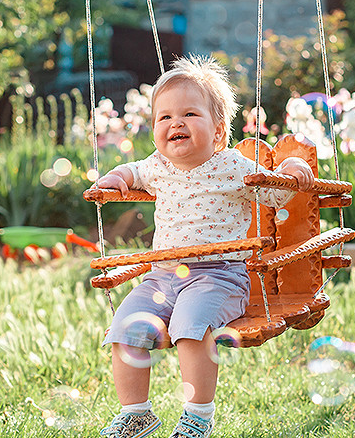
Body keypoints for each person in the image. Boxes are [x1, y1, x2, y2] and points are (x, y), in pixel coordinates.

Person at [96, 55, 314, 438]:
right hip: (162, 278)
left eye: (189, 114)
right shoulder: (157, 166)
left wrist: (292, 169)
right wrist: (116, 177)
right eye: (164, 118)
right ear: (154, 131)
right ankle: (136, 413)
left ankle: (197, 416)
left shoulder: (231, 166)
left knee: (189, 328)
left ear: (217, 132)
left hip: (219, 277)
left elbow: (276, 194)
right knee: (123, 328)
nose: (175, 123)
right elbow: (133, 172)